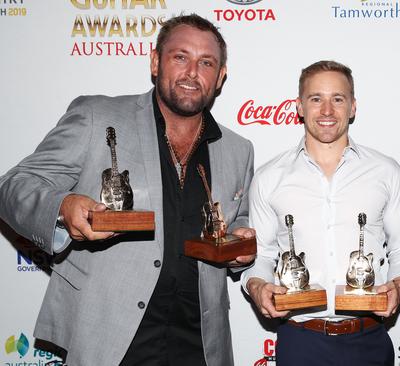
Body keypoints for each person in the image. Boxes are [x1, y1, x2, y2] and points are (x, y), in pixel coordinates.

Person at [0, 14, 255, 366]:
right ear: (155, 61)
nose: (192, 73)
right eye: (180, 57)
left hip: (200, 345)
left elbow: (235, 221)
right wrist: (63, 205)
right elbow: (14, 186)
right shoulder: (96, 115)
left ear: (220, 76)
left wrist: (240, 247)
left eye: (206, 62)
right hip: (110, 338)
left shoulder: (238, 149)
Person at [242, 60, 400, 365]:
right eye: (315, 99)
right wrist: (257, 287)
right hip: (300, 342)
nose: (326, 110)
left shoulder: (386, 171)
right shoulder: (270, 177)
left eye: (337, 99)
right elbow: (261, 255)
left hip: (369, 340)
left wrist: (399, 285)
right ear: (298, 106)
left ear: (352, 107)